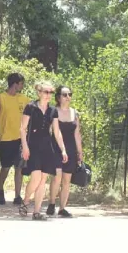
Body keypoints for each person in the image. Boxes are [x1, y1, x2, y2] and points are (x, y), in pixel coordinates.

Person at [19, 81, 68, 220]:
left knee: (43, 180)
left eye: (50, 92)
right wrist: (25, 147)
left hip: (47, 147)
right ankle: (26, 200)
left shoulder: (53, 111)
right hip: (33, 146)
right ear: (39, 93)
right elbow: (22, 129)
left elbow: (57, 132)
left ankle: (36, 212)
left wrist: (63, 149)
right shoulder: (30, 107)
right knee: (35, 178)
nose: (48, 95)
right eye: (46, 92)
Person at [0, 72, 29, 206]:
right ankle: (0, 189)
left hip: (20, 138)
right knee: (5, 167)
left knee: (19, 167)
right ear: (15, 84)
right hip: (5, 138)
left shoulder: (24, 99)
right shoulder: (1, 98)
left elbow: (32, 115)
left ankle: (18, 196)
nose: (22, 86)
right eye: (21, 84)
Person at [46, 86, 83, 218]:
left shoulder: (75, 113)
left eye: (69, 94)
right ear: (58, 97)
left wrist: (80, 151)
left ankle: (62, 208)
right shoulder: (53, 111)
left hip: (71, 148)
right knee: (57, 176)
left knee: (67, 179)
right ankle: (51, 203)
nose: (68, 97)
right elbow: (52, 131)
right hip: (56, 148)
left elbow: (77, 134)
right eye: (64, 94)